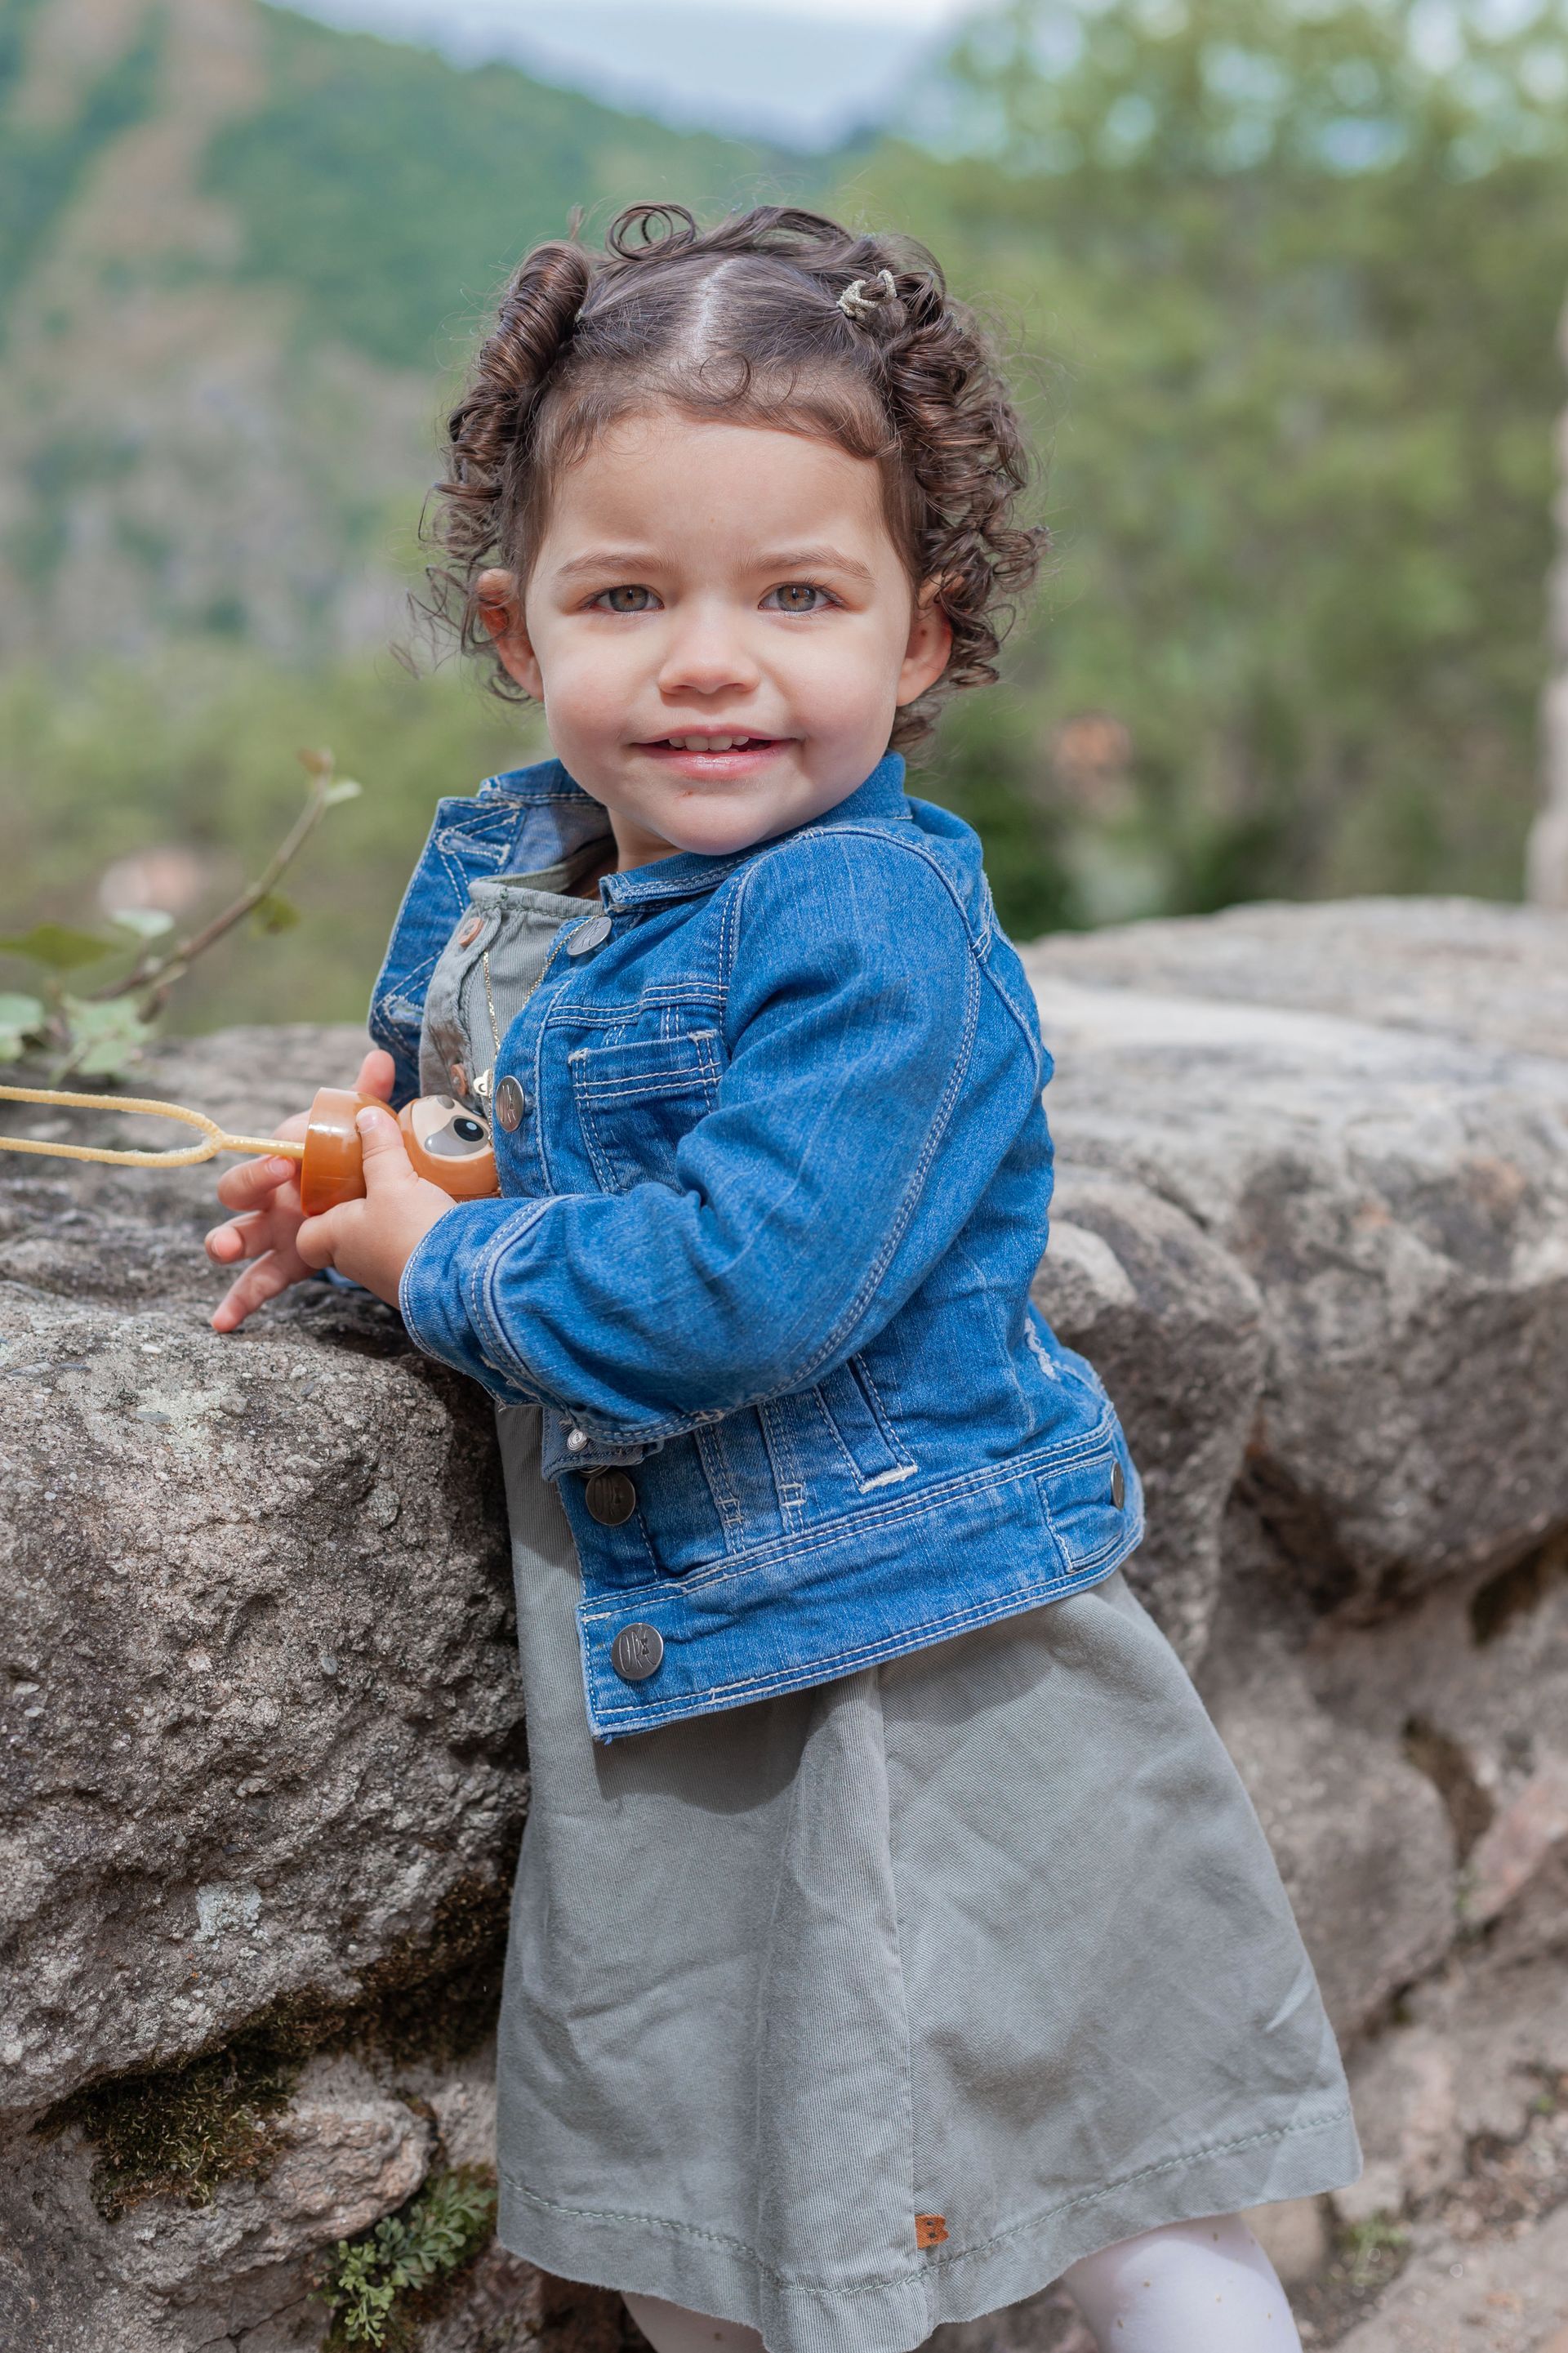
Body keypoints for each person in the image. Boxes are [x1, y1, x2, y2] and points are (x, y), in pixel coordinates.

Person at [203, 204, 1359, 2353]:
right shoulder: (578, 886)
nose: (708, 657)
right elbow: (541, 1122)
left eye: (797, 596)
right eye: (626, 595)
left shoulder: (870, 929)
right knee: (720, 2228)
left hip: (920, 1683)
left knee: (1117, 2187)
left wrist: (444, 1257)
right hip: (701, 1704)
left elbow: (739, 1283)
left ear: (920, 640)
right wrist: (391, 1170)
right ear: (516, 620)